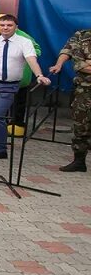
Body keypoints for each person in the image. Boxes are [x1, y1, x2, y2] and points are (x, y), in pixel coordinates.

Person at [0, 14, 50, 159]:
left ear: (16, 27)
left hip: (9, 85)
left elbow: (31, 60)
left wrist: (39, 75)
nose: (5, 28)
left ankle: (1, 148)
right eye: (2, 25)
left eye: (9, 25)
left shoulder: (24, 42)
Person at [50, 27, 91, 172]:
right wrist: (59, 64)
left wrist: (86, 63)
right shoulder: (83, 35)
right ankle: (79, 161)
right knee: (81, 126)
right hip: (84, 91)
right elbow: (76, 62)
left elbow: (83, 64)